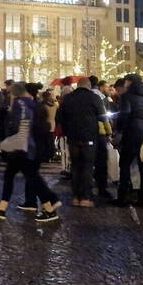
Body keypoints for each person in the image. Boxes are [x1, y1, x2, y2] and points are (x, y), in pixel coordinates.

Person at [0, 82, 60, 222]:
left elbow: (20, 127)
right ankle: (3, 208)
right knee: (26, 177)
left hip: (22, 148)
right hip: (28, 147)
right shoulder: (32, 104)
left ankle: (50, 204)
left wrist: (7, 143)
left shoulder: (20, 105)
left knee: (28, 178)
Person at [57, 77, 105, 207]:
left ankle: (76, 197)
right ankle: (85, 197)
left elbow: (59, 117)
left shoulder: (68, 98)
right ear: (89, 86)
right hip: (89, 137)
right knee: (87, 167)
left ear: (78, 85)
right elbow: (102, 117)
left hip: (72, 138)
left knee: (75, 167)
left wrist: (67, 131)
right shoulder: (94, 98)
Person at [116, 74, 143, 207]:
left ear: (129, 82)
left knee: (125, 164)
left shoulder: (127, 97)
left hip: (131, 133)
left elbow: (124, 116)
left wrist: (119, 131)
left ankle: (123, 195)